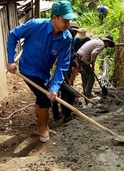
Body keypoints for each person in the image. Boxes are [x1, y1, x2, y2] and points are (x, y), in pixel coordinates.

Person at [6, 0, 77, 143]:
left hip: (44, 71)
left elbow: (63, 64)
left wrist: (54, 87)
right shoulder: (35, 25)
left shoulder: (66, 38)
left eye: (69, 20)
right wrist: (10, 60)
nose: (67, 24)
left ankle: (40, 125)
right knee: (45, 99)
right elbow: (13, 35)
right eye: (65, 20)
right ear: (54, 18)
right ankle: (43, 128)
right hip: (28, 69)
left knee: (43, 96)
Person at [52, 27, 78, 123]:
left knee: (57, 94)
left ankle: (59, 114)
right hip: (54, 77)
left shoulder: (65, 45)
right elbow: (60, 66)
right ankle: (66, 116)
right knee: (70, 94)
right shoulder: (61, 47)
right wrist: (66, 79)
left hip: (57, 75)